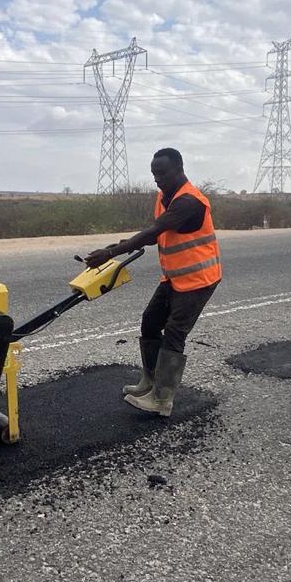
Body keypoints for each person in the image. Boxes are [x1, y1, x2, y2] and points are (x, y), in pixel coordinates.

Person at [84, 147, 222, 417]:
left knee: (174, 332)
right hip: (175, 276)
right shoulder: (164, 196)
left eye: (162, 173)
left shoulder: (189, 201)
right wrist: (118, 247)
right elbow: (154, 235)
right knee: (150, 321)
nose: (157, 178)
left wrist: (110, 253)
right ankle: (149, 382)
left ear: (179, 169)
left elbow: (155, 230)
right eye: (154, 174)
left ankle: (162, 399)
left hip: (199, 279)